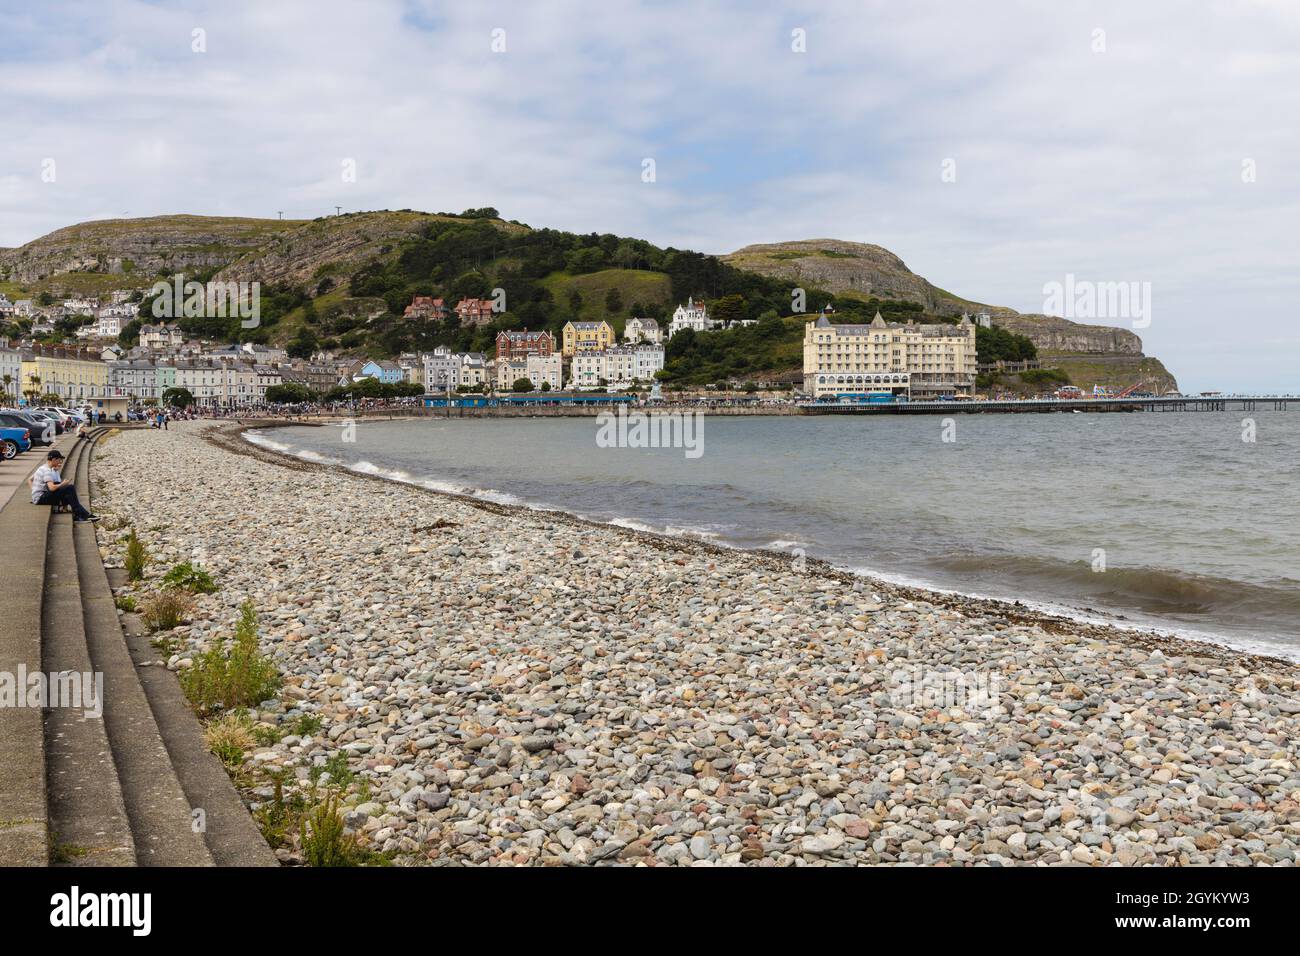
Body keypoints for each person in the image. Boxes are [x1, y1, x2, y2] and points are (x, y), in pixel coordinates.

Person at [31, 450, 100, 522]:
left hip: (39, 496)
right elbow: (51, 488)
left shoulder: (43, 467)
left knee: (69, 494)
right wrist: (62, 484)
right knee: (69, 488)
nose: (60, 462)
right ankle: (83, 515)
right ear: (54, 459)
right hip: (40, 498)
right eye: (59, 460)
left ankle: (80, 514)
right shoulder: (47, 471)